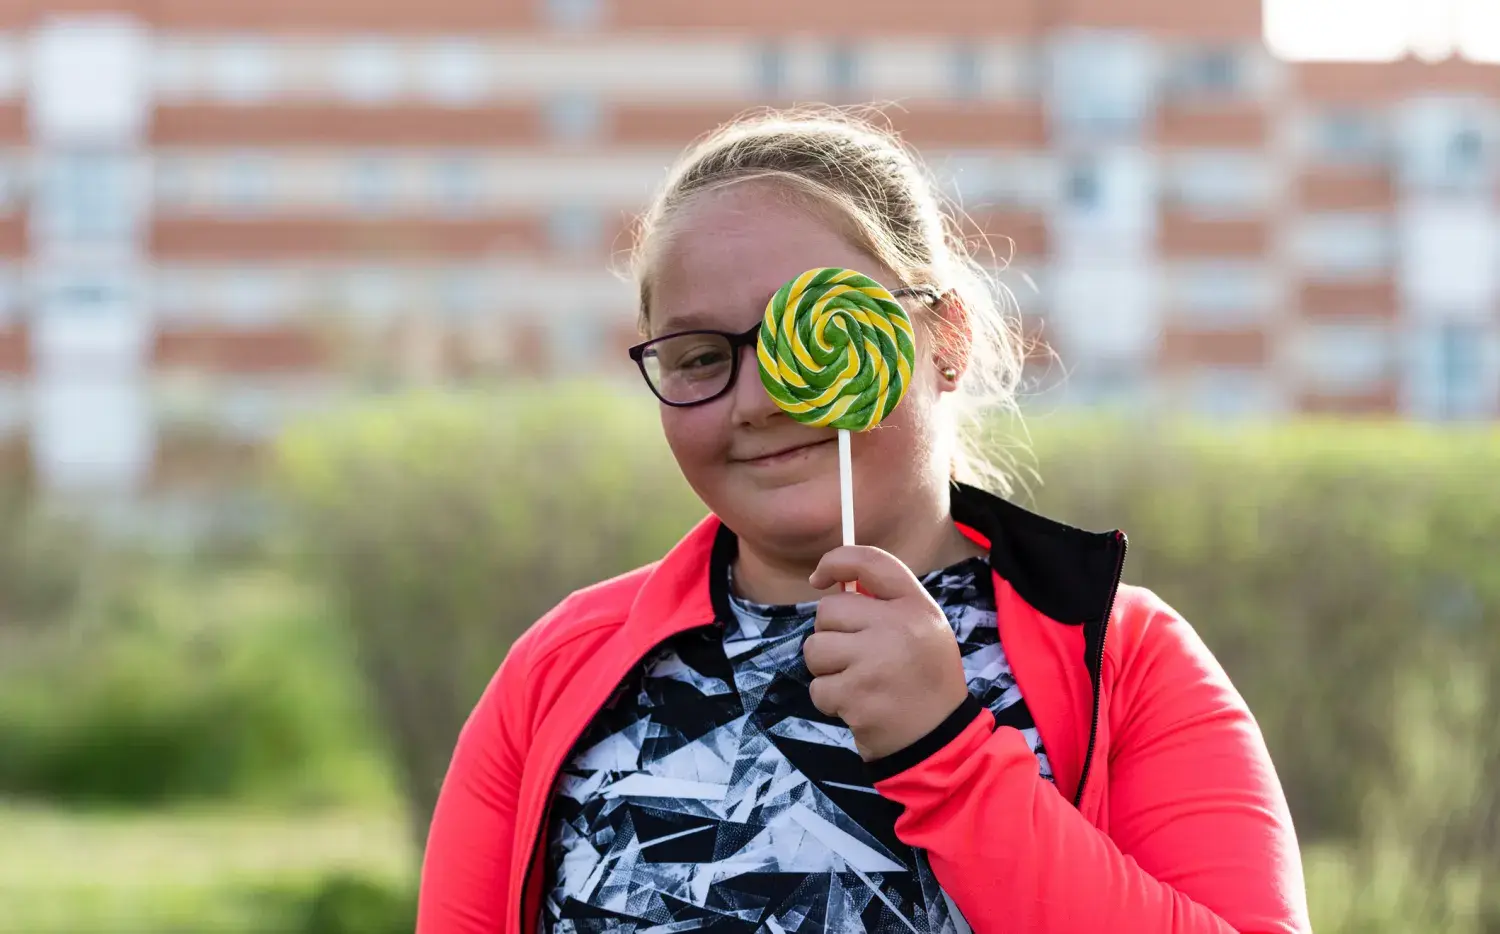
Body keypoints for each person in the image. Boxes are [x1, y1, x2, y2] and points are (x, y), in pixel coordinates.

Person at [417, 108, 1310, 934]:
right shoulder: (560, 673)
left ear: (944, 341)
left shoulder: (1124, 657)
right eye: (698, 357)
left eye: (814, 336)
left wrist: (945, 754)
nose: (762, 399)